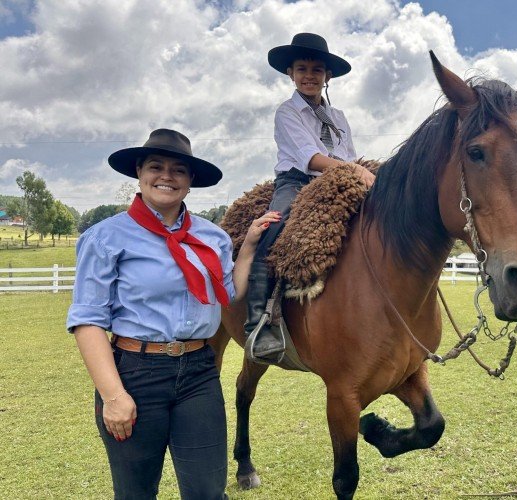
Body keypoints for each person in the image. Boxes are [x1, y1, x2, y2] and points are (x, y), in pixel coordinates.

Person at [67, 128, 279, 499]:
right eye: (156, 166)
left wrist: (246, 247)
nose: (167, 176)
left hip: (199, 371)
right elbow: (88, 321)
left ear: (190, 180)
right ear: (139, 172)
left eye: (178, 169)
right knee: (135, 493)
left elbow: (227, 294)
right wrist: (113, 396)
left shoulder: (211, 236)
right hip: (134, 373)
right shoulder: (105, 238)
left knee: (208, 492)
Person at [244, 32, 375, 363]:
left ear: (327, 76)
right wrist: (353, 172)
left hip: (340, 180)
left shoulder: (339, 118)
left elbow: (349, 155)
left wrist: (359, 173)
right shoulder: (287, 112)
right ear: (291, 73)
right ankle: (260, 321)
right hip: (298, 180)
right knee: (272, 228)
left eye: (317, 70)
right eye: (302, 68)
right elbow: (310, 157)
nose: (309, 76)